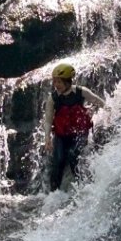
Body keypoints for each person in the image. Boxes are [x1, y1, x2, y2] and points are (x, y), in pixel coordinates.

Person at [44, 63, 105, 192]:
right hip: (61, 135)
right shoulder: (53, 98)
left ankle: (82, 188)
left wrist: (111, 112)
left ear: (67, 82)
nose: (56, 85)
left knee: (73, 155)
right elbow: (48, 120)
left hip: (79, 133)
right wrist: (47, 138)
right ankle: (53, 193)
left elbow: (99, 102)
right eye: (55, 81)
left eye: (59, 82)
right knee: (58, 160)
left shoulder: (81, 92)